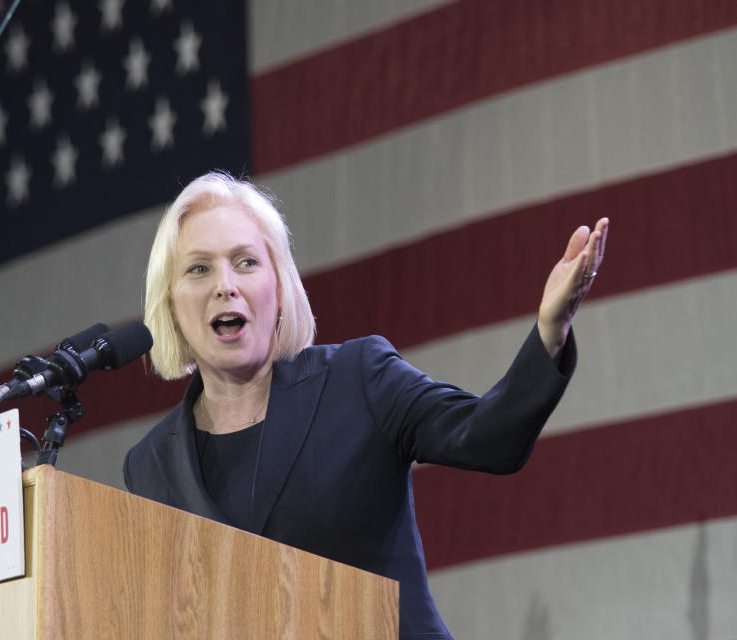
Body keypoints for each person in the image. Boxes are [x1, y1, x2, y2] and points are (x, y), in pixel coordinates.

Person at [124, 171, 608, 639]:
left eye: (246, 262)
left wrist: (550, 330)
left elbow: (486, 435)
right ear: (168, 303)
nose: (224, 285)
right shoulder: (151, 466)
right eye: (199, 268)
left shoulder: (358, 379)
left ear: (279, 286)